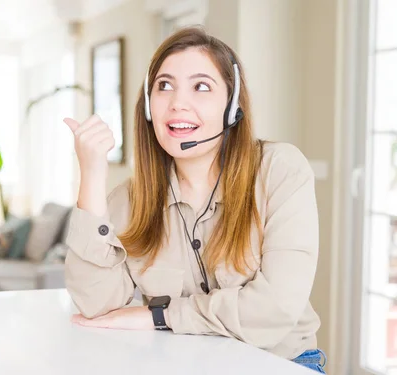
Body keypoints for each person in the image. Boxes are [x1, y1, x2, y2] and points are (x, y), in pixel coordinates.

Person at [62, 27, 326, 374]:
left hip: (281, 363)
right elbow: (97, 307)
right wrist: (92, 177)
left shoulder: (280, 170)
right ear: (149, 107)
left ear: (232, 106)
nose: (177, 103)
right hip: (180, 365)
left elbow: (274, 310)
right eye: (164, 85)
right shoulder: (129, 199)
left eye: (201, 86)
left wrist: (161, 317)